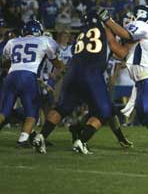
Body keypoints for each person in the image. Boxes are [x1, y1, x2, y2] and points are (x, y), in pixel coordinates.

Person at [33, 10, 125, 154]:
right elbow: (120, 53)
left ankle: (41, 135)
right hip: (92, 74)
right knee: (104, 112)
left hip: (73, 73)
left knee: (62, 108)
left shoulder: (80, 35)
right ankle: (81, 141)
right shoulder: (103, 30)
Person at [99, 5, 148, 153]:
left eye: (131, 16)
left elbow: (126, 35)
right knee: (144, 116)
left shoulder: (142, 26)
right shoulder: (137, 35)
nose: (128, 20)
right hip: (143, 80)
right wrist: (107, 27)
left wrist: (107, 20)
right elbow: (119, 52)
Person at [0, 20, 64, 147]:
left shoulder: (13, 42)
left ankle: (25, 137)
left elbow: (4, 61)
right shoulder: (44, 40)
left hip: (11, 76)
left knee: (4, 112)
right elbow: (56, 62)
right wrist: (64, 67)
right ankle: (23, 140)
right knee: (32, 112)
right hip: (28, 76)